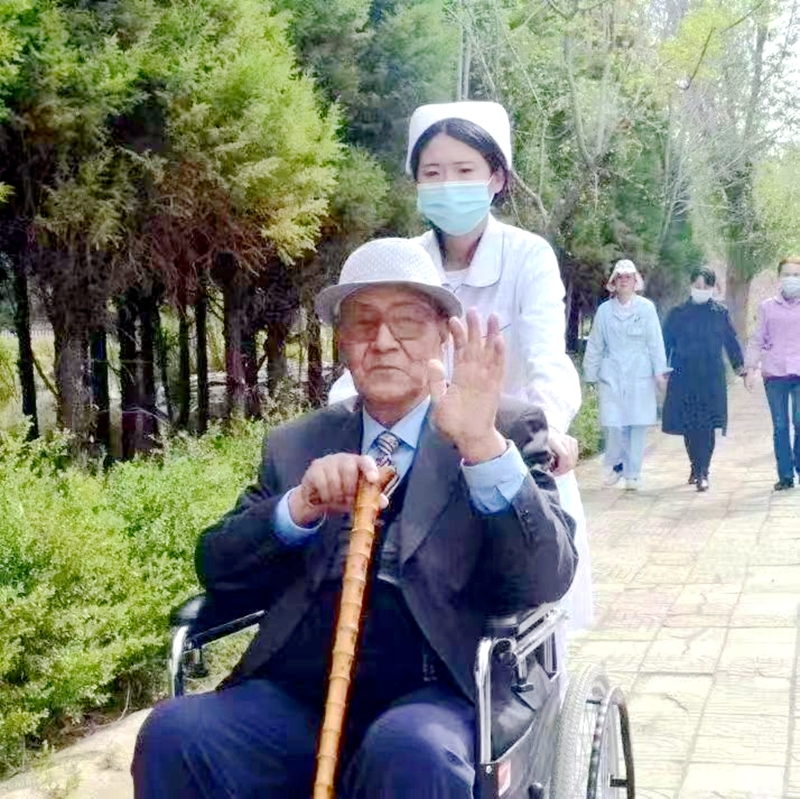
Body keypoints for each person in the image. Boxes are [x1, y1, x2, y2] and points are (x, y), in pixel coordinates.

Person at [132, 238, 577, 799]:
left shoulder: (504, 427)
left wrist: (481, 448)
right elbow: (218, 566)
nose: (383, 342)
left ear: (442, 334)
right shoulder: (299, 442)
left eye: (406, 322)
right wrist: (300, 507)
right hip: (299, 694)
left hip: (440, 690)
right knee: (176, 733)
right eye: (363, 323)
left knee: (411, 753)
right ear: (341, 340)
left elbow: (546, 577)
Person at [330, 100, 593, 636]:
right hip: (416, 464)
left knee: (526, 626)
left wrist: (546, 431)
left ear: (496, 177)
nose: (448, 185)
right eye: (432, 173)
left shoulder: (528, 256)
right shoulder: (401, 259)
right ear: (416, 184)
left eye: (464, 170)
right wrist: (340, 425)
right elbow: (368, 353)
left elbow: (547, 357)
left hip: (503, 451)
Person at [582, 259, 669, 491]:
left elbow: (655, 341)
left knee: (636, 425)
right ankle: (617, 464)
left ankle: (633, 473)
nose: (623, 281)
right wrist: (590, 374)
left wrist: (660, 371)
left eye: (628, 277)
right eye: (619, 277)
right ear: (613, 282)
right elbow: (595, 343)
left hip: (640, 372)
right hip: (612, 373)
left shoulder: (646, 308)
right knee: (613, 423)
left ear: (635, 281)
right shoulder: (604, 311)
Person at [661, 266, 745, 492]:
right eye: (698, 285)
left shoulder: (719, 312)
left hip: (711, 376)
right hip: (684, 375)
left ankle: (703, 471)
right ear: (691, 286)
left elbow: (730, 341)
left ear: (712, 287)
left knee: (707, 425)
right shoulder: (678, 313)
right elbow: (665, 342)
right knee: (689, 424)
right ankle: (694, 465)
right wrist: (660, 369)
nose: (702, 289)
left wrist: (740, 366)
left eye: (706, 285)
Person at [744, 256, 800, 491]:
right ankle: (785, 475)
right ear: (779, 277)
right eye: (787, 274)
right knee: (780, 425)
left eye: (796, 275)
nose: (791, 279)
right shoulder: (767, 306)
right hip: (775, 374)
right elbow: (757, 339)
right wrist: (750, 368)